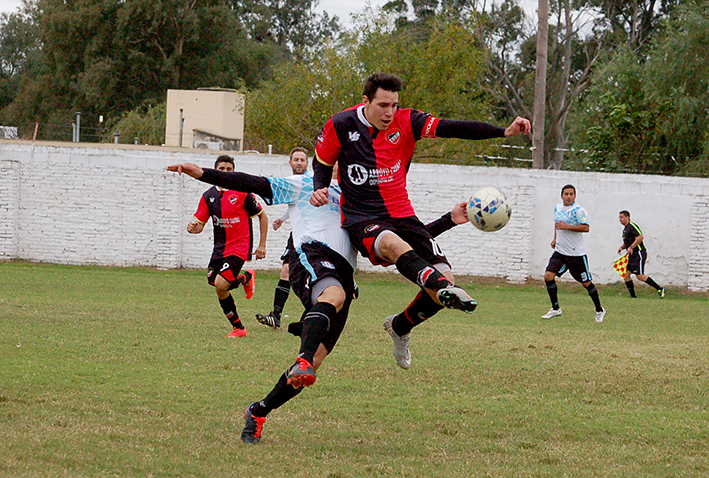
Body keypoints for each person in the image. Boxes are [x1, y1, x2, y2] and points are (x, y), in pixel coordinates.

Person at [167, 161, 468, 444]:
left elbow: (397, 245)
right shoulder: (303, 184)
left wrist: (448, 221)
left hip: (345, 274)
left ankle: (258, 410)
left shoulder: (361, 198)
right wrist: (202, 173)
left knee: (317, 361)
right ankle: (302, 358)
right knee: (331, 299)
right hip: (310, 254)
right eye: (339, 156)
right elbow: (250, 182)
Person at [309, 72, 531, 369]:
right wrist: (319, 187)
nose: (389, 113)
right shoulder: (341, 124)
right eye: (383, 105)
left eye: (394, 105)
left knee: (443, 281)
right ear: (366, 101)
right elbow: (323, 161)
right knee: (390, 243)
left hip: (402, 213)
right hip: (361, 217)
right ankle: (443, 287)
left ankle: (400, 326)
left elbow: (453, 128)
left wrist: (502, 132)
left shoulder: (408, 121)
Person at [186, 155, 268, 338]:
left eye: (229, 169)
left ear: (234, 171)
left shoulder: (243, 192)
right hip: (220, 248)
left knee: (221, 284)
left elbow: (263, 216)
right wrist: (193, 228)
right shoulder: (208, 196)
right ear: (215, 171)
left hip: (239, 247)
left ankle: (239, 329)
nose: (224, 173)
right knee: (216, 284)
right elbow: (200, 224)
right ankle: (246, 280)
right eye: (221, 169)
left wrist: (262, 245)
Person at [255, 147, 309, 329]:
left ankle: (316, 315)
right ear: (290, 162)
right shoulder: (292, 182)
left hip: (313, 238)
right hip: (295, 237)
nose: (299, 163)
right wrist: (282, 219)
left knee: (311, 276)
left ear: (307, 163)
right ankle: (276, 316)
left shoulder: (311, 182)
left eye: (302, 160)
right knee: (286, 271)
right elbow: (293, 204)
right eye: (296, 160)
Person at [542, 184, 606, 323]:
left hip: (576, 254)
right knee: (548, 276)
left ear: (575, 196)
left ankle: (600, 310)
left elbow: (586, 228)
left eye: (571, 194)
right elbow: (557, 224)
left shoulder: (579, 211)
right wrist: (555, 238)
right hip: (560, 252)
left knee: (586, 283)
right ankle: (555, 308)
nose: (569, 196)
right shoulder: (557, 208)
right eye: (566, 194)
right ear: (562, 195)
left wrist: (567, 227)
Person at [617, 210, 666, 298]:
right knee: (626, 275)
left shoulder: (632, 226)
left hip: (638, 253)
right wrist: (622, 247)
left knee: (639, 276)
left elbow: (640, 237)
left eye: (622, 217)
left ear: (627, 217)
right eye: (619, 217)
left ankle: (660, 289)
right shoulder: (625, 229)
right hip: (631, 255)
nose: (620, 219)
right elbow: (628, 242)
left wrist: (632, 247)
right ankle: (633, 297)